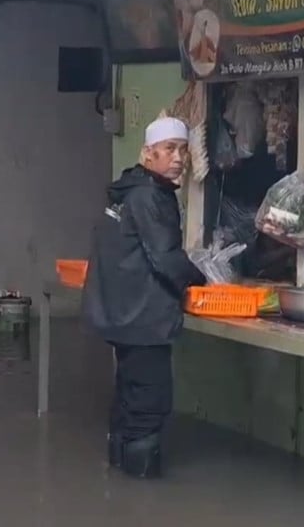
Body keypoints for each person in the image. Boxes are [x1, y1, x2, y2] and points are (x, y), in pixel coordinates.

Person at [82, 117, 207, 479]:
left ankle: (118, 479)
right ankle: (141, 489)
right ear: (147, 154)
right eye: (169, 149)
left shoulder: (130, 191)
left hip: (123, 315)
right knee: (149, 403)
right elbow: (166, 257)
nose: (178, 158)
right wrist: (201, 281)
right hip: (143, 318)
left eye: (183, 149)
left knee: (128, 397)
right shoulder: (150, 196)